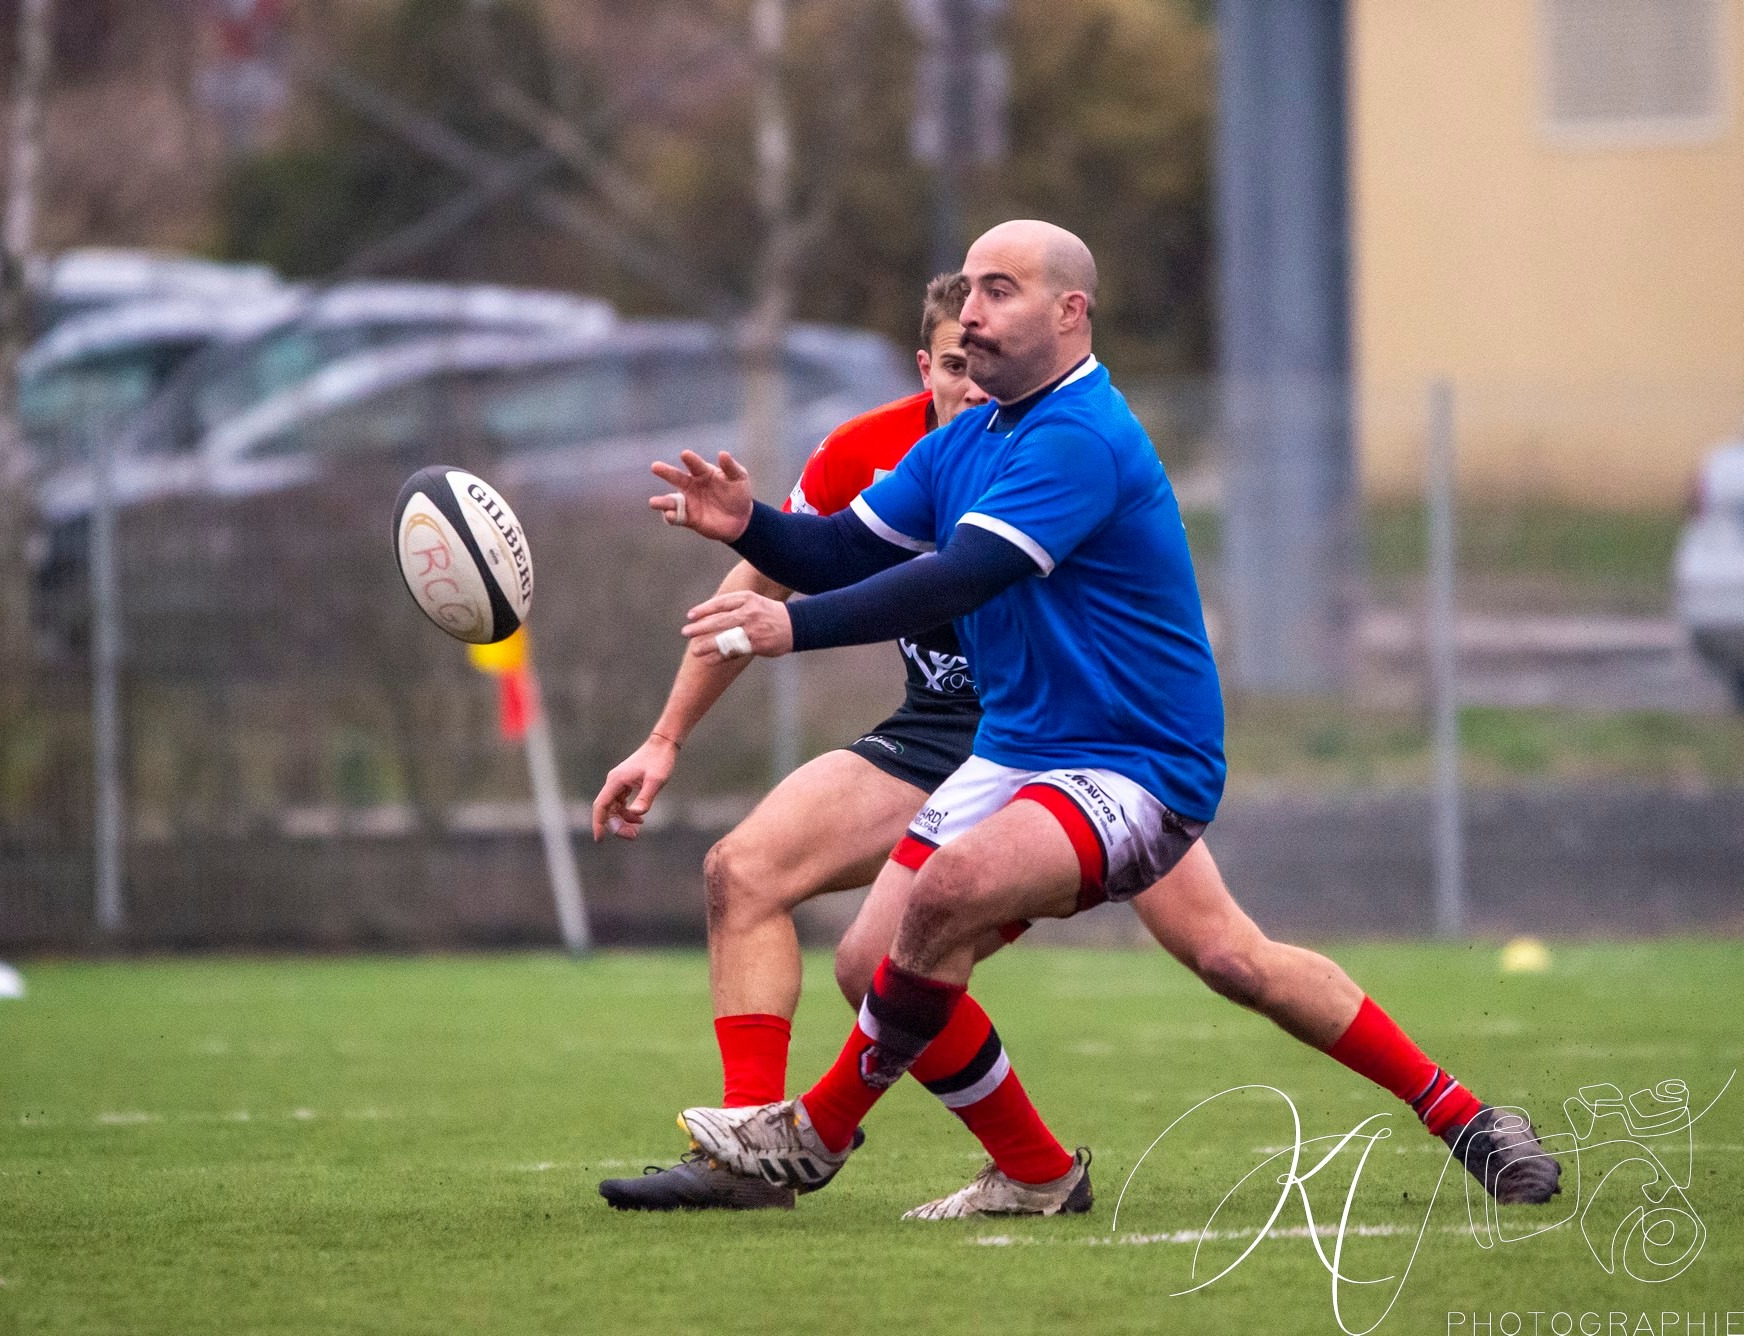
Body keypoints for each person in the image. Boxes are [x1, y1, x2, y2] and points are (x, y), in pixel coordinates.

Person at [649, 219, 1563, 1218]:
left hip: (1138, 760)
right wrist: (747, 525)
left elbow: (960, 577)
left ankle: (815, 1134)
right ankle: (1033, 1174)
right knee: (873, 963)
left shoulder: (1079, 436)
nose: (974, 311)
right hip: (1018, 749)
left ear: (1070, 311)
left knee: (998, 901)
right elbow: (838, 551)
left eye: (999, 290)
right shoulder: (965, 442)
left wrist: (791, 628)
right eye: (970, 291)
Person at [596, 275, 1091, 1215]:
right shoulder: (870, 451)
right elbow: (762, 583)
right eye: (957, 363)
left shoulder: (1064, 447)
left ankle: (1030, 1169)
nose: (974, 383)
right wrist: (663, 740)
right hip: (934, 731)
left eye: (989, 360)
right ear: (926, 365)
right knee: (743, 872)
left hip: (1060, 744)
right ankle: (749, 1157)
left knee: (1232, 957)